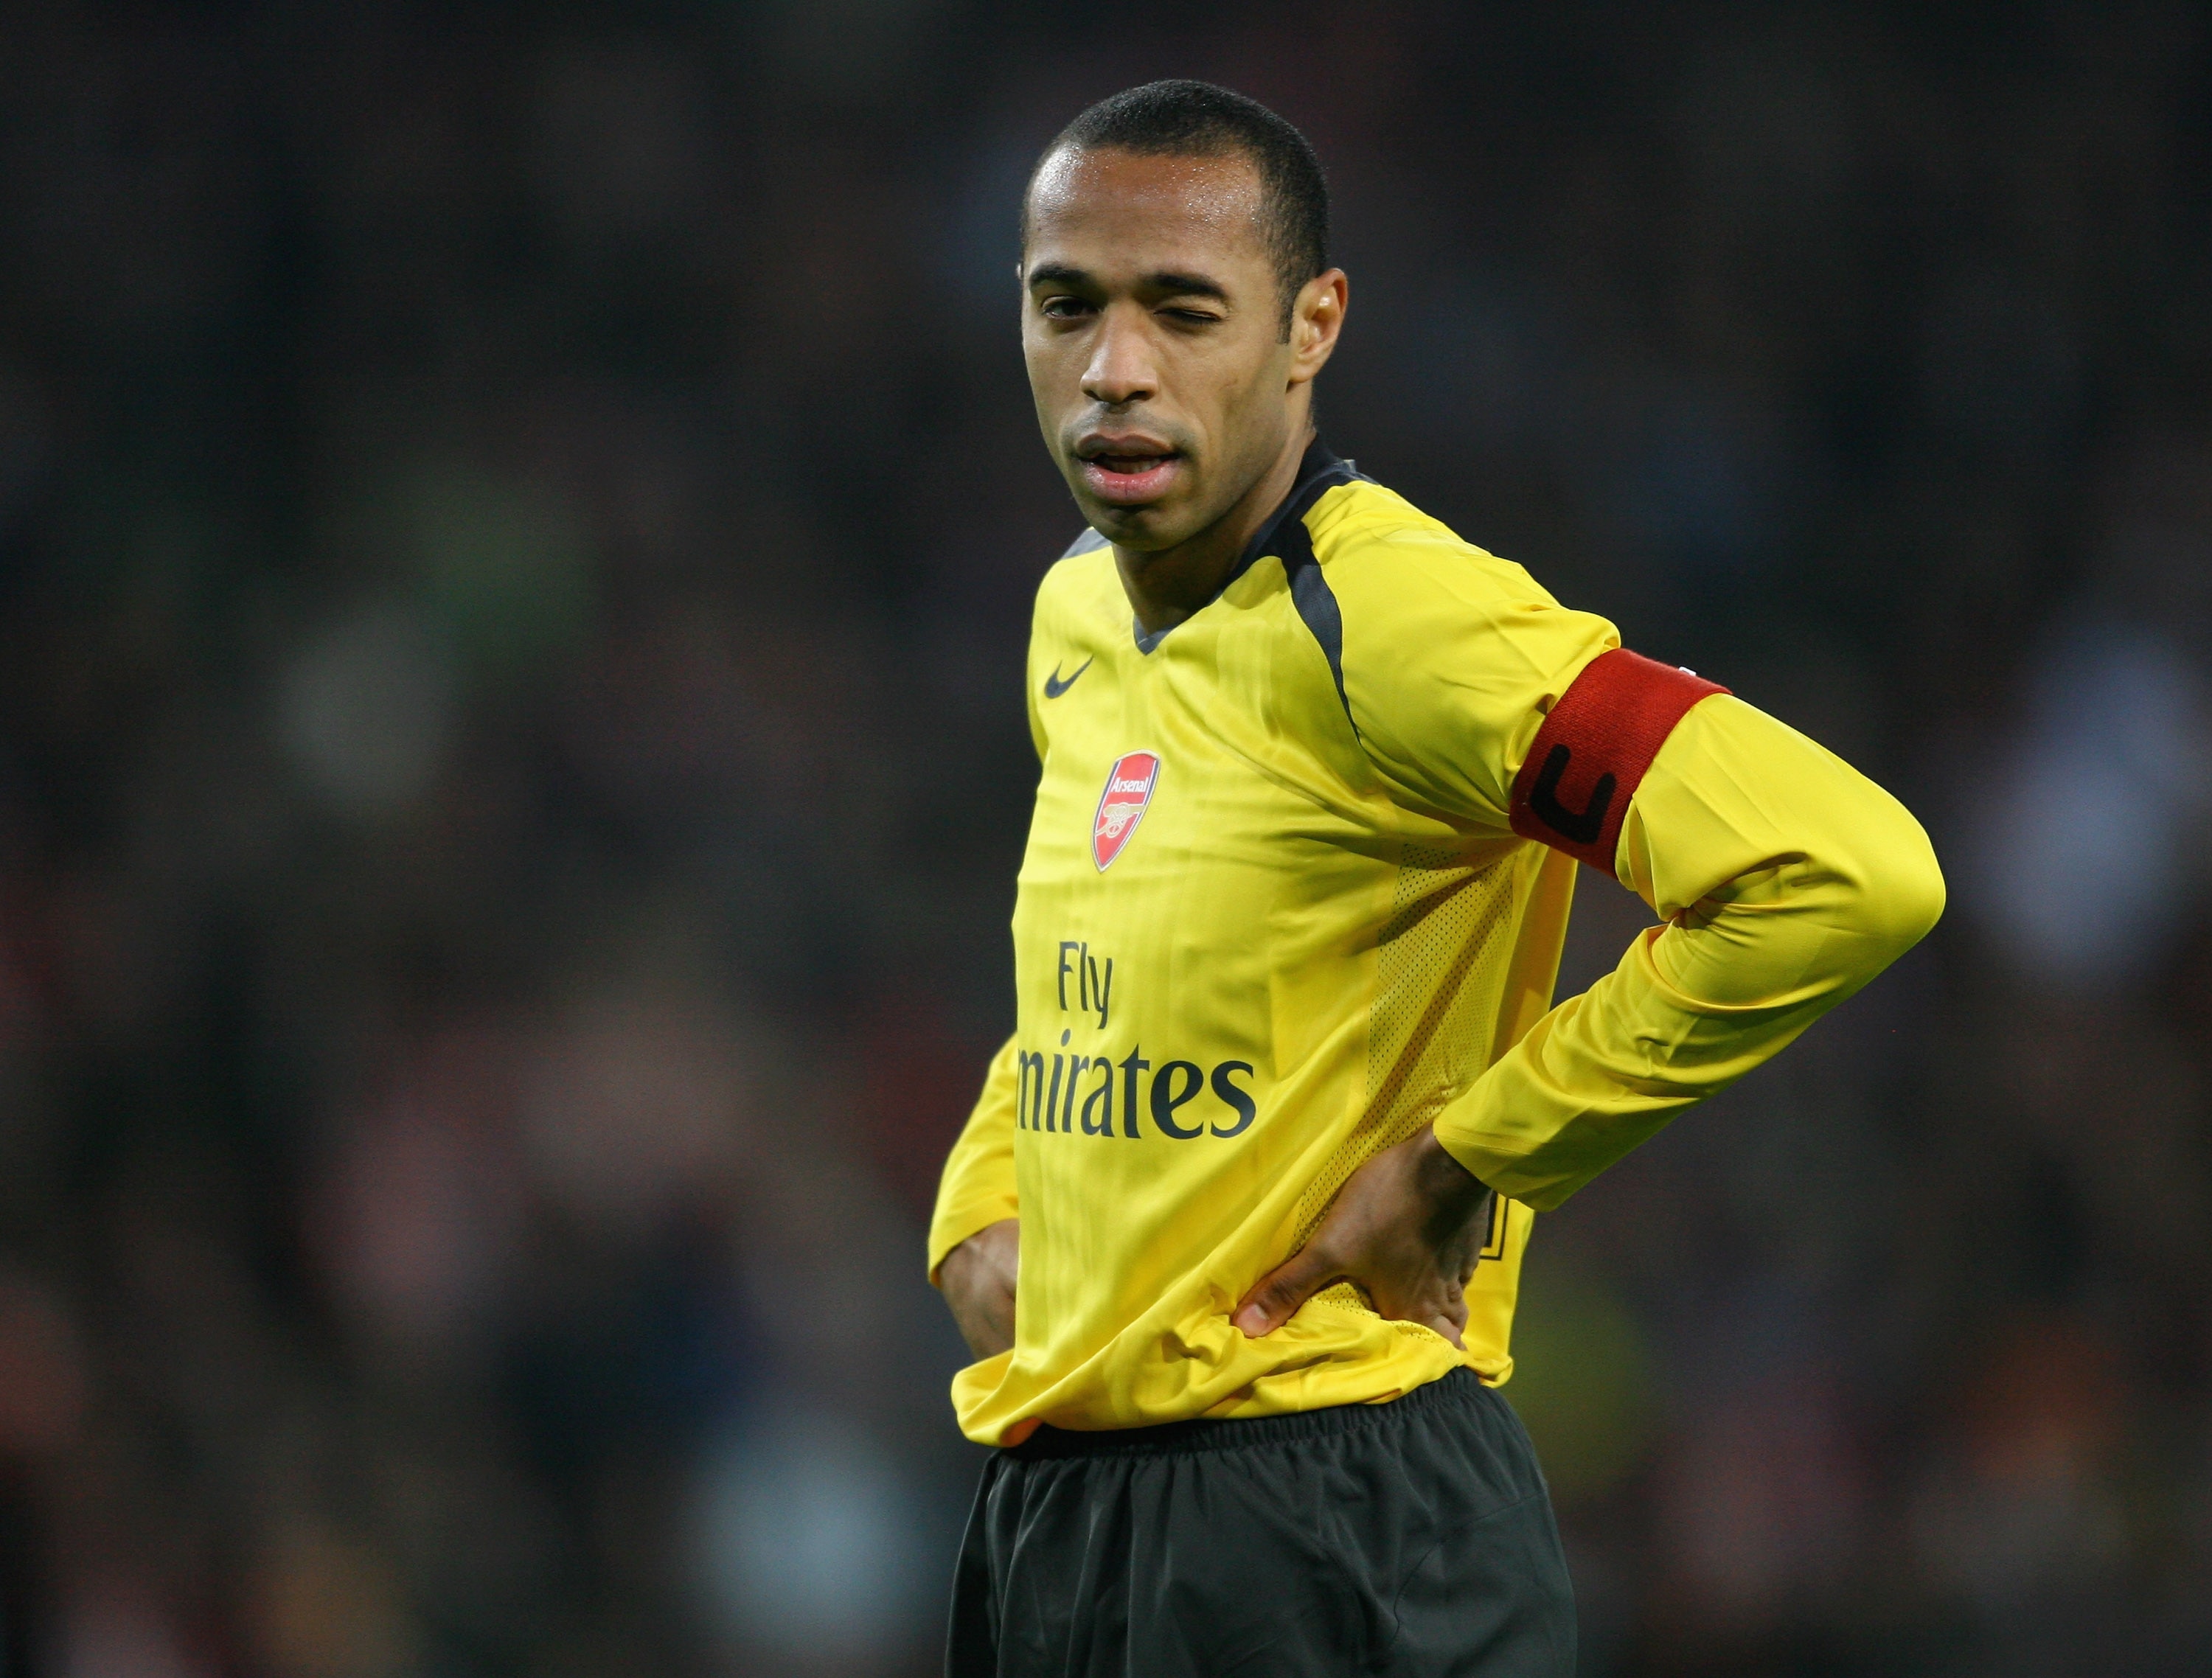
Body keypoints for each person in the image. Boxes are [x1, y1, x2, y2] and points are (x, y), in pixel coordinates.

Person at [928, 80, 1944, 1678]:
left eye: (1185, 311)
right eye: (1070, 307)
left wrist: (1473, 1153)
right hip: (1064, 1519)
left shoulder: (1402, 627)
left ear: (1310, 326)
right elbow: (1102, 948)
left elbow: (1845, 868)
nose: (1115, 370)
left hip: (1338, 1517)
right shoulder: (1078, 609)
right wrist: (981, 1195)